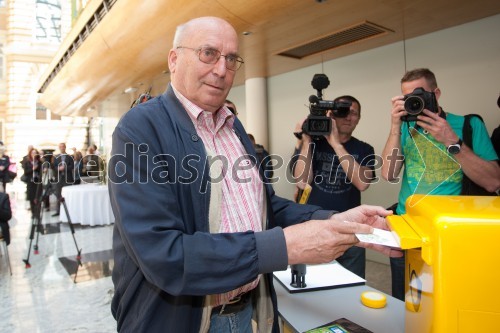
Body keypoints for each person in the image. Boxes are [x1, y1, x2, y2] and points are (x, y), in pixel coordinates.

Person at [108, 16, 399, 333]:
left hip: (249, 313)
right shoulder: (139, 128)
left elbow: (267, 207)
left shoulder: (234, 129)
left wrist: (334, 219)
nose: (222, 70)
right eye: (208, 53)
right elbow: (163, 255)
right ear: (174, 59)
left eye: (231, 59)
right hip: (180, 321)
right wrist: (285, 247)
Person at [381, 68, 500, 300]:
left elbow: (493, 181)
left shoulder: (468, 124)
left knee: (448, 301)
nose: (414, 101)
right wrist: (395, 127)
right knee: (405, 302)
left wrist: (451, 140)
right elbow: (388, 173)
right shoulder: (405, 128)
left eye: (420, 94)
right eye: (408, 97)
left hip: (451, 233)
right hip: (409, 230)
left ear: (436, 93)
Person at [291, 95, 375, 278]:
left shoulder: (365, 149)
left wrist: (335, 143)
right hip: (314, 226)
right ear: (331, 115)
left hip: (350, 228)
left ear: (359, 119)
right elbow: (301, 181)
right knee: (313, 283)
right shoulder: (313, 144)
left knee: (352, 283)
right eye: (343, 112)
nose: (348, 117)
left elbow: (362, 183)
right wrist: (306, 141)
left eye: (354, 113)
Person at [52, 143, 74, 216]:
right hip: (59, 178)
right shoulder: (56, 157)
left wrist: (65, 168)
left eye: (63, 146)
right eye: (60, 147)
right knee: (58, 194)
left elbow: (72, 166)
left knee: (68, 195)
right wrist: (58, 168)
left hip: (68, 178)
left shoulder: (70, 157)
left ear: (65, 147)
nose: (62, 148)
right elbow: (54, 167)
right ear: (59, 148)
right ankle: (58, 211)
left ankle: (68, 211)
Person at [22, 148, 42, 218]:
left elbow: (41, 172)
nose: (34, 154)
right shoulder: (27, 162)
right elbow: (25, 172)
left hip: (38, 182)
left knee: (38, 197)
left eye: (35, 153)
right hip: (30, 182)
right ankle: (33, 213)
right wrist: (32, 169)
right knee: (31, 197)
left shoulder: (39, 162)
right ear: (30, 154)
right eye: (32, 153)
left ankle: (38, 212)